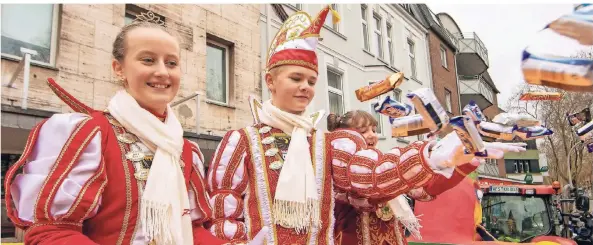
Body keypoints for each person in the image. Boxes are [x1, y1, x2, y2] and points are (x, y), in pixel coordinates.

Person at [206, 5, 526, 245]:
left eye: (312, 80)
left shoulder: (326, 143)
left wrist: (443, 151)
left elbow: (373, 173)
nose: (306, 87)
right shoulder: (242, 140)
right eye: (296, 78)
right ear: (270, 82)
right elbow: (223, 210)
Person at [3, 13, 266, 245]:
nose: (162, 72)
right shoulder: (91, 135)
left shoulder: (185, 150)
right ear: (118, 68)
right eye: (148, 60)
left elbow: (192, 230)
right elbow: (51, 231)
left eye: (171, 63)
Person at [327, 111, 482, 245]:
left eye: (374, 130)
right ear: (346, 138)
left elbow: (425, 189)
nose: (372, 135)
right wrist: (427, 154)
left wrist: (463, 163)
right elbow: (368, 189)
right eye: (363, 131)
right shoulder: (341, 164)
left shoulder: (385, 166)